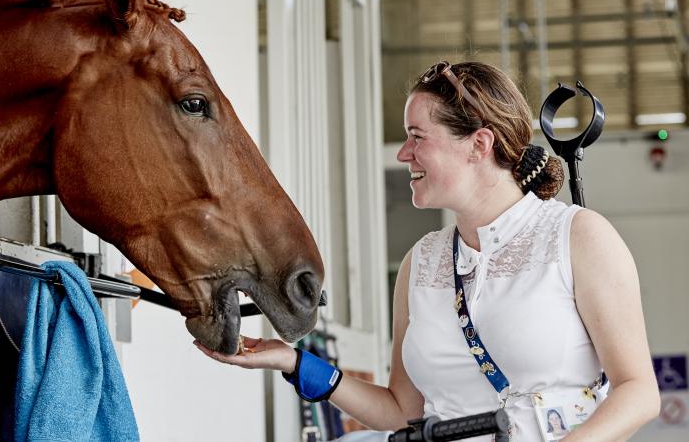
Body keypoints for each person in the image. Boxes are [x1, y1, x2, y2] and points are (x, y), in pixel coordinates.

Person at [195, 61, 660, 441]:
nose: (403, 154)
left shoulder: (579, 236)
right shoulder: (422, 262)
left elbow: (638, 391)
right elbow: (401, 412)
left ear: (479, 144)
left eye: (417, 137)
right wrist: (294, 362)